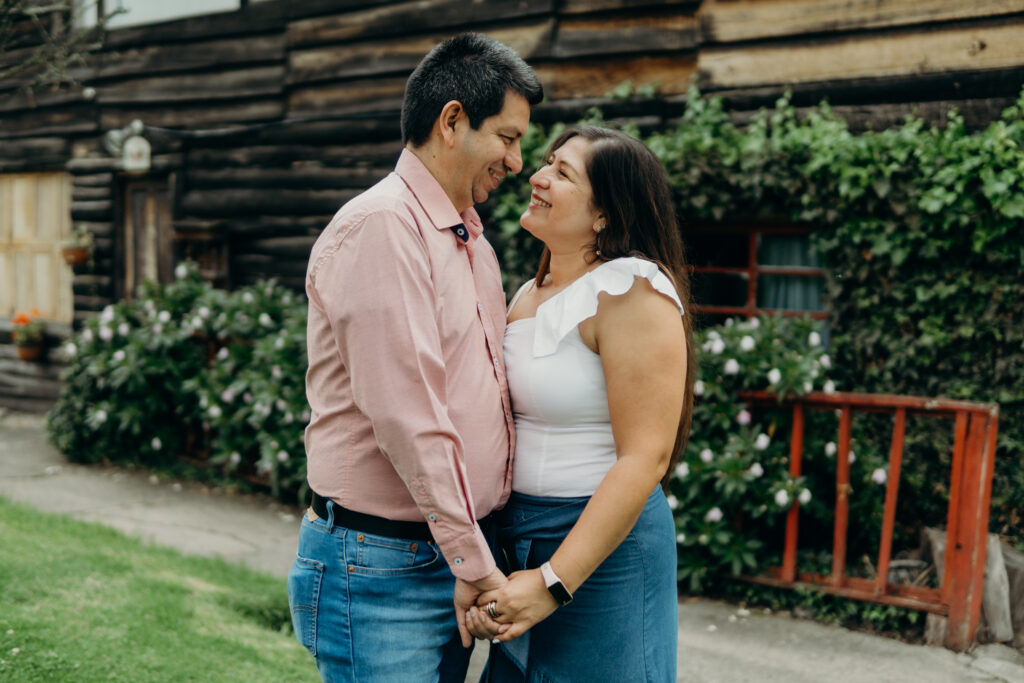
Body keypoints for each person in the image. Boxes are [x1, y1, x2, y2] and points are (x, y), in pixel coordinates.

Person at [287, 33, 542, 682]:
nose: (518, 162)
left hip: (449, 558)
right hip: (379, 567)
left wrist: (470, 554)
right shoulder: (381, 227)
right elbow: (408, 415)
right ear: (452, 121)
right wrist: (476, 563)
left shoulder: (473, 243)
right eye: (508, 138)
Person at [462, 125, 696, 682]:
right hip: (517, 539)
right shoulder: (526, 294)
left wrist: (554, 581)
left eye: (562, 173)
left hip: (601, 552)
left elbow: (646, 458)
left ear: (604, 215)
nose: (536, 177)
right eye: (546, 164)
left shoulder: (633, 291)